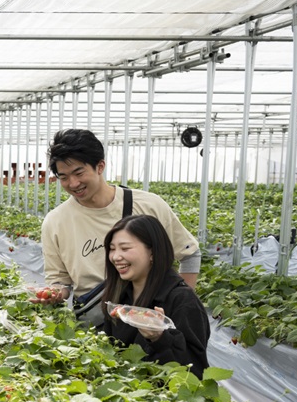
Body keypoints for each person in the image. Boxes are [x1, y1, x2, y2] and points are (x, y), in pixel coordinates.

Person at [37, 129, 200, 325]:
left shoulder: (148, 205)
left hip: (149, 320)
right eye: (63, 177)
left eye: (79, 172)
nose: (73, 183)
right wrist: (54, 293)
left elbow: (190, 253)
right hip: (96, 326)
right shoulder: (55, 222)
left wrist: (181, 307)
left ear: (100, 166)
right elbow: (60, 281)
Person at [100, 214, 211, 378]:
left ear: (152, 252)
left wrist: (160, 338)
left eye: (125, 248)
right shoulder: (120, 296)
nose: (116, 257)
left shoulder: (181, 300)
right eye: (112, 248)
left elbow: (194, 373)